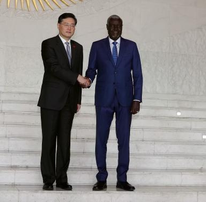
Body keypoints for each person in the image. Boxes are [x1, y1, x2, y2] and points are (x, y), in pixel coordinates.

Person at [86, 15, 143, 192]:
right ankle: (101, 178)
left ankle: (122, 178)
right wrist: (88, 79)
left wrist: (136, 98)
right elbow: (91, 68)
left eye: (119, 26)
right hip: (104, 99)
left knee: (123, 140)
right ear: (107, 27)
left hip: (126, 100)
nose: (116, 29)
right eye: (113, 26)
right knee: (101, 139)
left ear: (122, 27)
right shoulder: (97, 46)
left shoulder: (131, 46)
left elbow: (138, 74)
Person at [38, 13, 91, 191]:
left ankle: (62, 178)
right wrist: (78, 77)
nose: (69, 27)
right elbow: (53, 68)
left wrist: (78, 99)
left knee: (65, 142)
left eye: (73, 25)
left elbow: (79, 72)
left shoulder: (78, 47)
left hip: (69, 102)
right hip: (51, 100)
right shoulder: (48, 44)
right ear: (58, 25)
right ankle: (48, 179)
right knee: (49, 141)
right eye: (66, 24)